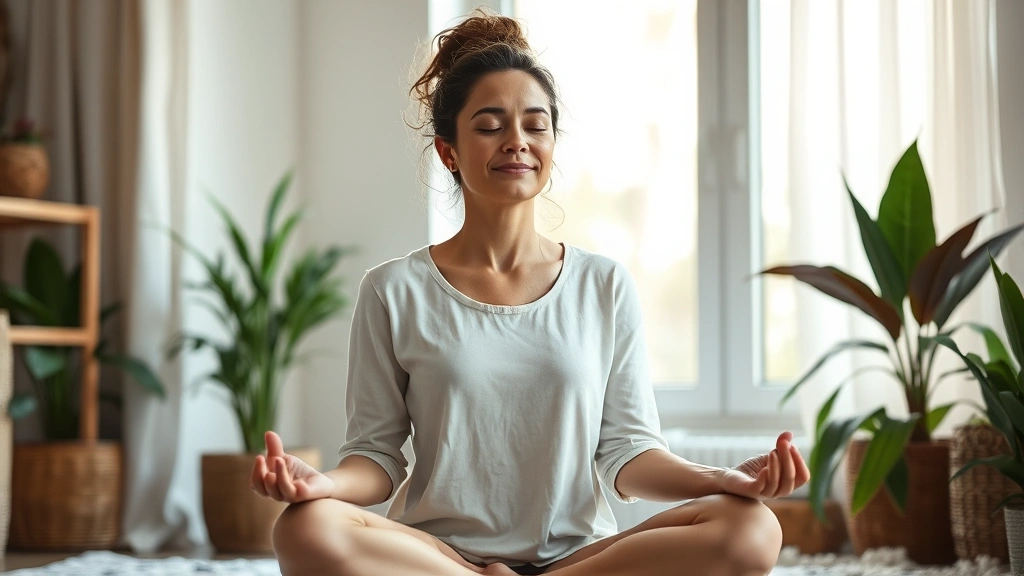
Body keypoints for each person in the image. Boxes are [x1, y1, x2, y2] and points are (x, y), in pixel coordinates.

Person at [253, 11, 808, 576]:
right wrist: (322, 484)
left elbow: (629, 454)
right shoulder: (393, 290)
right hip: (441, 558)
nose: (516, 141)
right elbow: (376, 459)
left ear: (551, 143)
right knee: (304, 527)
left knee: (752, 527)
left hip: (578, 557)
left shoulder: (604, 284)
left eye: (535, 125)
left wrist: (721, 479)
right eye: (490, 126)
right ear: (449, 151)